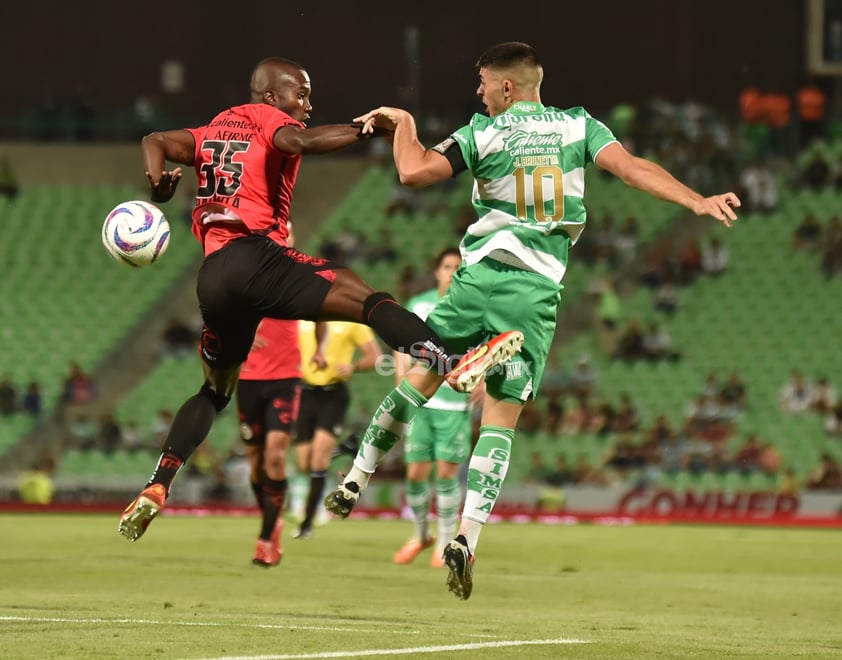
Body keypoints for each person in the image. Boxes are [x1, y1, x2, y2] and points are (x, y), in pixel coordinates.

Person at [324, 42, 739, 600]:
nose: (478, 92)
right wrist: (694, 201)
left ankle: (356, 477)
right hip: (534, 292)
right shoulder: (578, 127)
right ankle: (466, 539)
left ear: (508, 88)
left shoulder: (482, 133)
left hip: (477, 280)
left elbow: (413, 171)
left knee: (418, 376)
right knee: (499, 420)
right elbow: (634, 170)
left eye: (483, 83)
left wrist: (403, 122)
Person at [117, 57, 515, 543]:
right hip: (254, 256)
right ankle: (449, 360)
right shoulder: (268, 119)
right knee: (365, 297)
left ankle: (158, 484)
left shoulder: (214, 129)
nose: (306, 105)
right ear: (270, 97)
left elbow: (154, 140)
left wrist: (157, 185)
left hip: (214, 276)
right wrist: (367, 128)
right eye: (300, 94)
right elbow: (301, 141)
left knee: (214, 392)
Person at [392, 248, 476, 568]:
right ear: (437, 271)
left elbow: (484, 347)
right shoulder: (421, 304)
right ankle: (419, 534)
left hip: (453, 405)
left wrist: (480, 378)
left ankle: (443, 540)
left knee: (445, 473)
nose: (452, 271)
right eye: (446, 266)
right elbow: (402, 342)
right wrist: (401, 376)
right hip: (420, 402)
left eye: (458, 267)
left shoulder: (470, 306)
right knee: (415, 473)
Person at [292, 319, 381, 540]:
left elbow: (375, 356)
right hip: (304, 393)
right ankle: (343, 448)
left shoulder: (350, 321)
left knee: (318, 460)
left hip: (333, 395)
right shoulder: (303, 314)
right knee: (303, 462)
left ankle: (307, 524)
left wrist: (353, 367)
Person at [237, 316, 303, 566]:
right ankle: (272, 518)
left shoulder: (294, 280)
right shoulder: (242, 283)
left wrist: (319, 348)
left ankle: (265, 540)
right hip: (247, 378)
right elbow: (218, 313)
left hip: (286, 378)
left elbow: (321, 308)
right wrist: (241, 332)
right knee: (256, 461)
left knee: (275, 457)